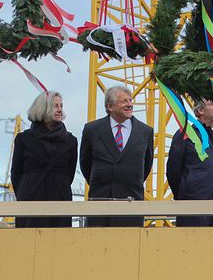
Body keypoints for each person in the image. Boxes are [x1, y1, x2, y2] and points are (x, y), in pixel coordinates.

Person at [80, 86, 154, 227]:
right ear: (110, 106)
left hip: (131, 201)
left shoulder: (145, 131)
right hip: (100, 200)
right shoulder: (92, 130)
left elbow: (147, 165)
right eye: (124, 101)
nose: (129, 104)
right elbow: (85, 163)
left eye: (130, 100)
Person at [11, 91, 77, 228]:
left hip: (60, 200)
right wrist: (27, 193)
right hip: (30, 200)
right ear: (42, 108)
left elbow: (70, 174)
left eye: (61, 106)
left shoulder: (71, 141)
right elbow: (16, 174)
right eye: (55, 106)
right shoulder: (23, 139)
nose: (60, 110)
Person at [167, 98, 213, 227]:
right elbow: (173, 171)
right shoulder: (186, 134)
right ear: (201, 110)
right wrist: (186, 192)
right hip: (194, 209)